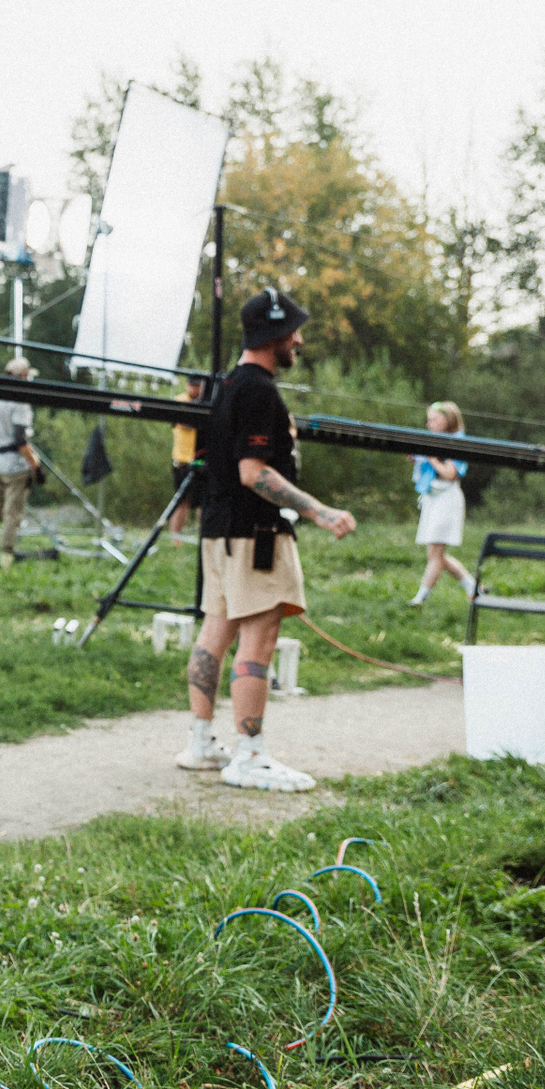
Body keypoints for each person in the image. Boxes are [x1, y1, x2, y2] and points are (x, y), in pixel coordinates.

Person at [176, 289, 356, 792]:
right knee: (259, 639)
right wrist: (319, 511)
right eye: (293, 331)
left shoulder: (228, 385)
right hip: (255, 536)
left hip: (219, 532)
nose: (298, 341)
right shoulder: (258, 391)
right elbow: (253, 472)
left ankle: (200, 743)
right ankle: (249, 757)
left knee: (215, 634)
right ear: (274, 334)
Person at [407, 402, 477, 607]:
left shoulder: (457, 441)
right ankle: (473, 587)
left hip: (446, 499)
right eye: (428, 420)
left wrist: (432, 458)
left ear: (447, 420)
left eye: (434, 419)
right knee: (437, 555)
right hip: (432, 498)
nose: (429, 424)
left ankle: (421, 598)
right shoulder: (433, 438)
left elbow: (450, 473)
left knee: (435, 554)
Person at [0, 358, 41, 567]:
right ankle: (6, 556)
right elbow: (20, 440)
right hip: (15, 466)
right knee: (12, 513)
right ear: (23, 376)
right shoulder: (19, 401)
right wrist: (35, 464)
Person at [168, 377, 205, 542]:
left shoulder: (205, 402)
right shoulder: (180, 401)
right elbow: (183, 422)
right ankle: (175, 538)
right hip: (182, 461)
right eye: (192, 385)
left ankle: (204, 537)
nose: (194, 389)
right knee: (181, 501)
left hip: (199, 460)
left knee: (203, 502)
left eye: (197, 386)